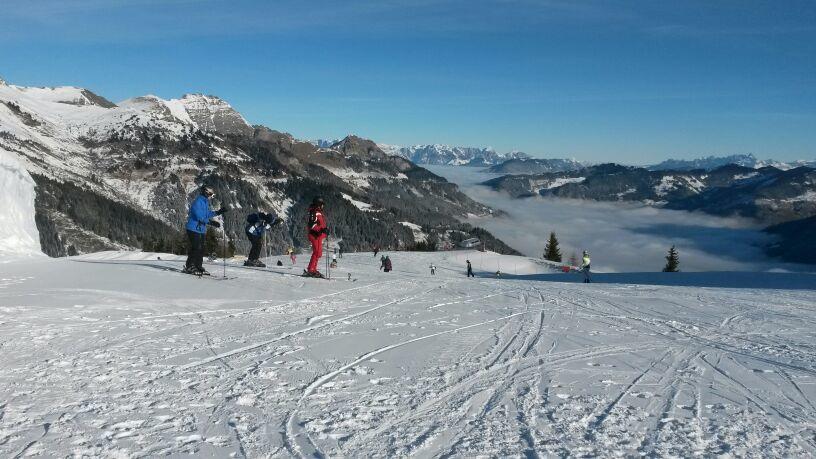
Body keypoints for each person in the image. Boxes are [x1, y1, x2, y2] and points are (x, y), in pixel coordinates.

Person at [184, 185, 228, 275]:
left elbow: (207, 214)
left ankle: (198, 266)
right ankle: (190, 266)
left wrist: (217, 212)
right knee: (196, 247)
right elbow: (199, 216)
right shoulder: (198, 202)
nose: (211, 196)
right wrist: (211, 223)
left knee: (201, 248)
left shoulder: (205, 202)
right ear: (205, 192)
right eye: (210, 194)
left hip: (201, 229)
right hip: (193, 228)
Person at [304, 197, 328, 278]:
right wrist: (321, 230)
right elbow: (311, 225)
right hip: (314, 235)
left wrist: (324, 230)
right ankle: (311, 270)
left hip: (318, 235)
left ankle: (313, 269)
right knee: (316, 252)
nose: (323, 206)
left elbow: (320, 224)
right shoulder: (314, 212)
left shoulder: (318, 212)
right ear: (318, 204)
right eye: (322, 204)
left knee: (319, 253)